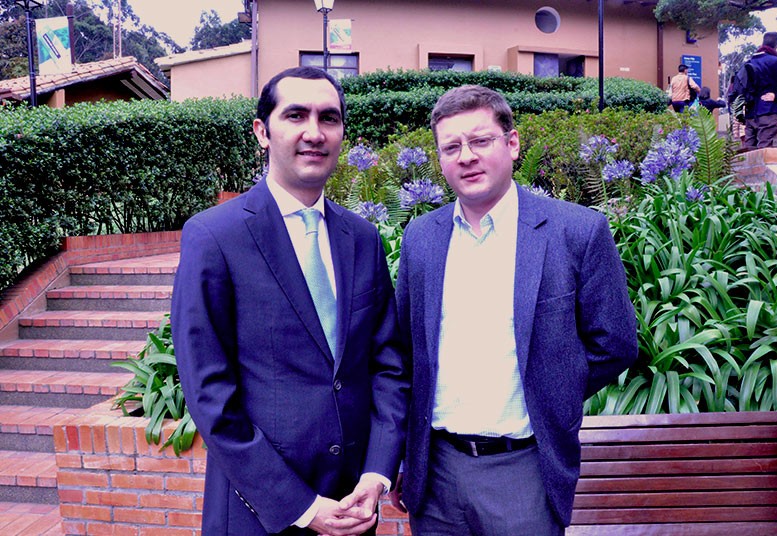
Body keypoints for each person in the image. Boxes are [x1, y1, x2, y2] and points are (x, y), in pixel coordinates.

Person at [171, 66, 410, 535]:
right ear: (262, 132)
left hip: (353, 509)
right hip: (260, 514)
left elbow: (387, 365)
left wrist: (377, 473)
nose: (314, 133)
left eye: (329, 118)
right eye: (296, 115)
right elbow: (208, 393)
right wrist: (301, 507)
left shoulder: (362, 238)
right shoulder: (214, 237)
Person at [390, 85, 638, 534]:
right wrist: (404, 457)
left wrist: (549, 391)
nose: (467, 156)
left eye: (480, 140)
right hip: (437, 475)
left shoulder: (576, 232)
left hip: (524, 472)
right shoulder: (421, 239)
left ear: (512, 143)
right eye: (451, 147)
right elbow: (407, 351)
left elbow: (615, 343)